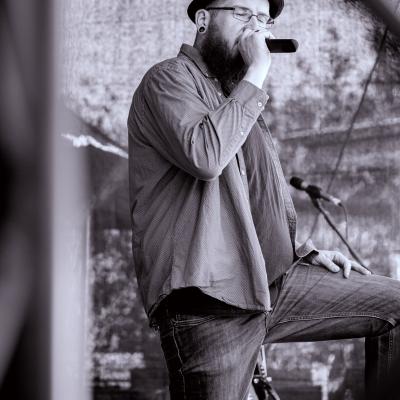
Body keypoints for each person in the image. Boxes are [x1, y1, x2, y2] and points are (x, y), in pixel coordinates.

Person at [127, 0, 400, 398]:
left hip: (270, 284)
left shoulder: (236, 98)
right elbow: (205, 157)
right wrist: (257, 70)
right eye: (243, 13)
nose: (255, 28)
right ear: (203, 19)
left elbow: (250, 200)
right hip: (208, 300)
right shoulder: (167, 79)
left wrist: (300, 251)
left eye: (263, 19)